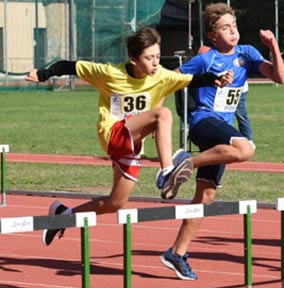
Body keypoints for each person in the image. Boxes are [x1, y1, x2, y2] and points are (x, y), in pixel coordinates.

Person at [25, 27, 232, 246]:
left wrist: (215, 79)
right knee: (163, 113)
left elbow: (192, 80)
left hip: (132, 146)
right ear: (133, 59)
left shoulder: (161, 75)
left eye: (158, 56)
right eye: (149, 58)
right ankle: (167, 171)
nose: (155, 62)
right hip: (113, 134)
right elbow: (71, 66)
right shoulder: (110, 74)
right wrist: (42, 74)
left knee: (115, 203)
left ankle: (63, 215)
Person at [160, 3, 284, 280]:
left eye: (235, 26)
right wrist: (207, 80)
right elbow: (172, 80)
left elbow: (280, 77)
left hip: (221, 134)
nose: (233, 31)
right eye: (226, 27)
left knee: (205, 196)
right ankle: (186, 162)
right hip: (203, 123)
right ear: (212, 34)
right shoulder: (207, 59)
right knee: (245, 149)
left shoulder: (247, 54)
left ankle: (176, 253)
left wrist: (274, 46)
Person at [199, 45, 253, 141]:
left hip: (237, 92)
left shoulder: (231, 57)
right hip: (221, 93)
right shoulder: (209, 62)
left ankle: (248, 140)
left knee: (241, 116)